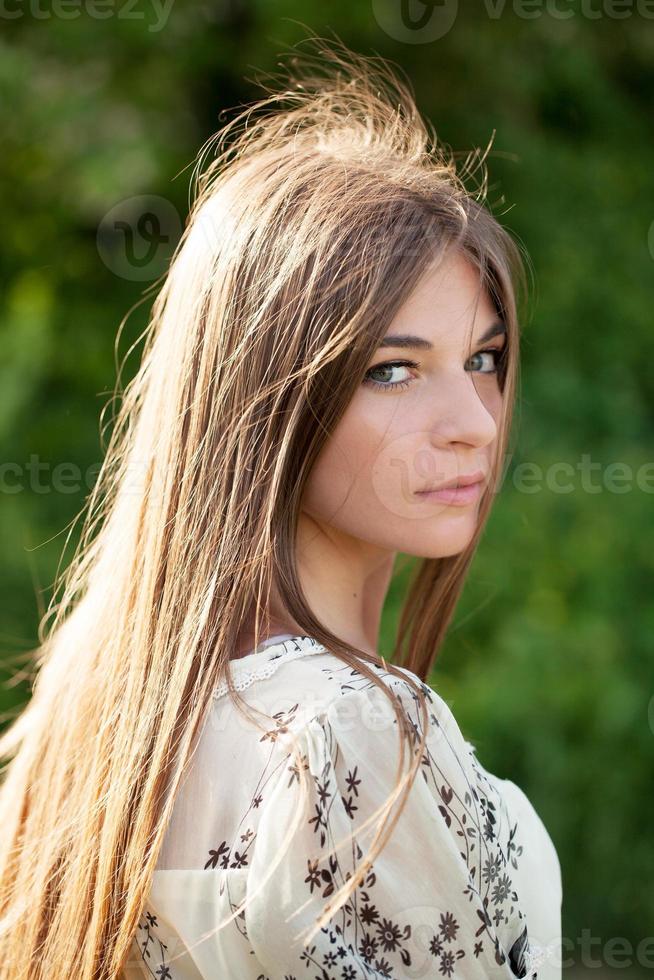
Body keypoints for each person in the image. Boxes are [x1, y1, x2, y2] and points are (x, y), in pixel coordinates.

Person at [0, 35, 562, 980]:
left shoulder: (91, 729)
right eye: (394, 370)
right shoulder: (349, 732)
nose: (472, 421)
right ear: (263, 399)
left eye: (484, 359)